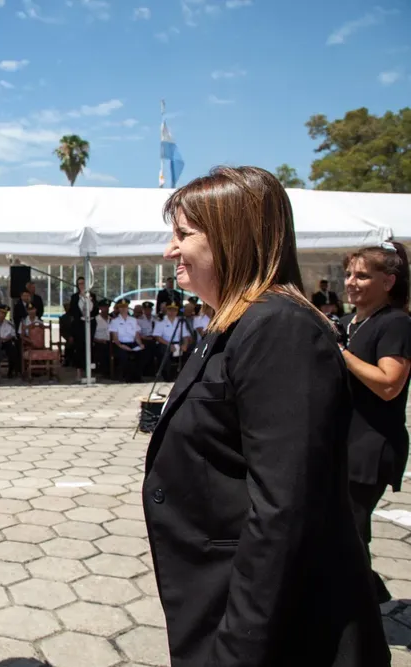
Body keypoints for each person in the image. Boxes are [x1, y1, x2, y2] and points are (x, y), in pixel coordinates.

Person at [143, 166, 389, 666]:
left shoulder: (280, 329)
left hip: (273, 628)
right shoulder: (236, 323)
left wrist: (239, 648)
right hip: (226, 596)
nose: (170, 250)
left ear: (231, 238)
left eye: (184, 235)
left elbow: (285, 511)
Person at [340, 240, 411, 604]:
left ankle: (362, 609)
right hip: (342, 445)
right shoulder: (349, 323)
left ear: (388, 281)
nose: (351, 282)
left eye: (363, 276)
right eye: (348, 274)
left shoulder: (395, 323)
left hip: (369, 448)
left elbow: (388, 384)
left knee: (349, 533)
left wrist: (341, 353)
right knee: (344, 533)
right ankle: (368, 598)